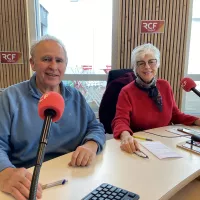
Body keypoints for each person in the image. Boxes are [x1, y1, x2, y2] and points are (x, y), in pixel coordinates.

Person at [0, 35, 106, 200]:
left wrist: (91, 145)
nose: (53, 66)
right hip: (29, 185)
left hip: (74, 179)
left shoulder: (75, 96)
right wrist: (4, 172)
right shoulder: (10, 98)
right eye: (46, 59)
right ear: (32, 63)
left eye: (59, 60)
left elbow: (95, 126)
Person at [112, 43, 200, 154]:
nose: (147, 66)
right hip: (140, 145)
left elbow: (175, 115)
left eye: (151, 62)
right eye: (141, 63)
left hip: (166, 143)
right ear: (135, 68)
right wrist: (125, 135)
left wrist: (197, 120)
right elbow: (120, 120)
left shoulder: (165, 85)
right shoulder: (126, 91)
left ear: (157, 64)